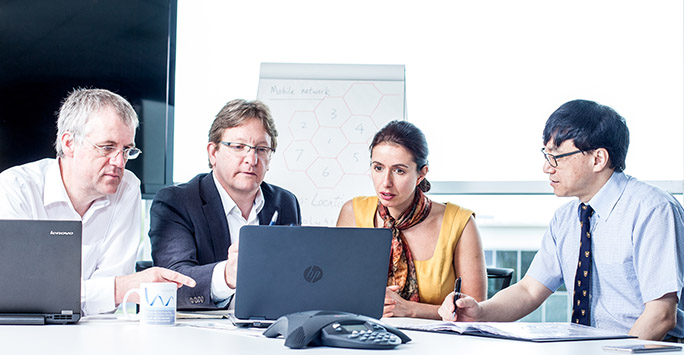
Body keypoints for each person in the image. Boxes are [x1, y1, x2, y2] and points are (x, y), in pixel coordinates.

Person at [438, 99, 684, 341]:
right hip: (588, 347)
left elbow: (661, 315)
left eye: (556, 156)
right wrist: (479, 312)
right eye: (546, 155)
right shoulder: (566, 218)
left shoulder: (652, 209)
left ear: (598, 159)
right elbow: (529, 291)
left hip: (650, 349)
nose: (547, 168)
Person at [0, 88, 195, 316]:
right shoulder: (15, 188)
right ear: (69, 143)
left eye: (126, 150)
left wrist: (113, 290)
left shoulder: (127, 187)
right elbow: (22, 294)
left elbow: (108, 300)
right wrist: (119, 288)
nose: (120, 162)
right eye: (107, 147)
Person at [149, 99, 301, 309]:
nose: (252, 159)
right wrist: (227, 276)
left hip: (268, 329)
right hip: (201, 334)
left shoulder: (284, 202)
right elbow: (172, 281)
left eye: (262, 149)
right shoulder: (177, 202)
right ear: (213, 152)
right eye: (239, 147)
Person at [337, 120, 487, 319]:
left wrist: (410, 309)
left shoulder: (460, 223)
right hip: (363, 338)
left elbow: (475, 312)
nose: (386, 182)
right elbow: (335, 294)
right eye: (378, 168)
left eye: (399, 170)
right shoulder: (352, 213)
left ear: (421, 174)